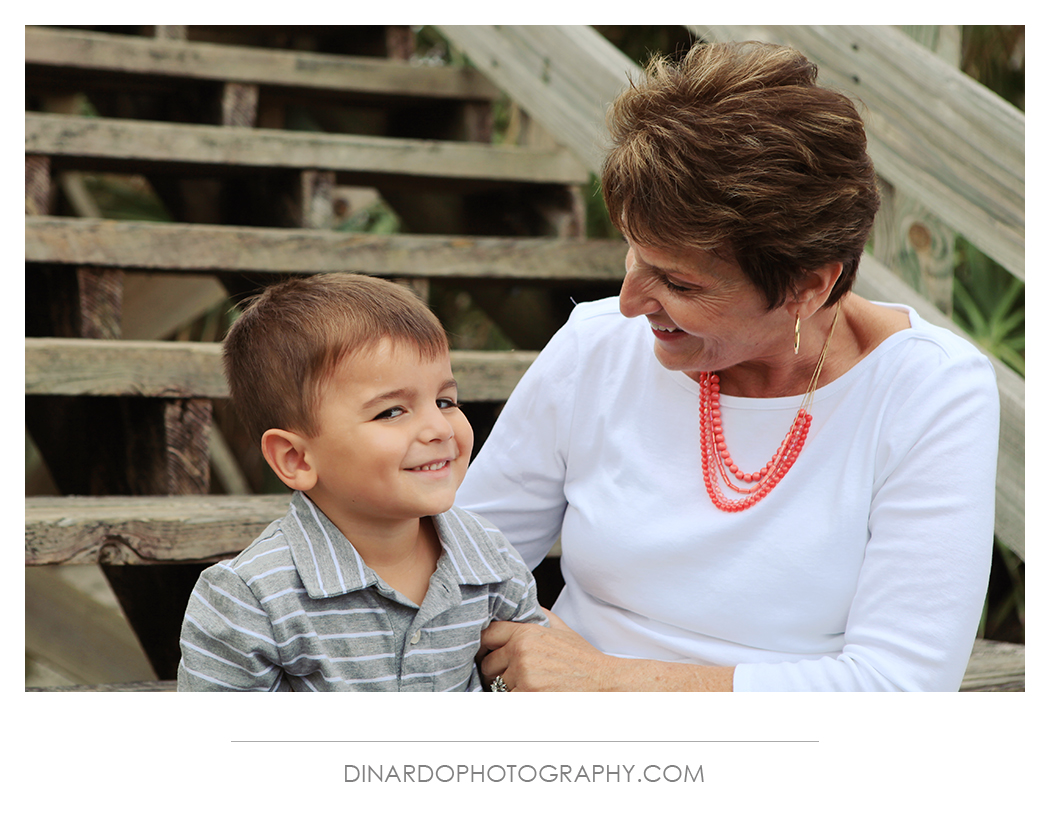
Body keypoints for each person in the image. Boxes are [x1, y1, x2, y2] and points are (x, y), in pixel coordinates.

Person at [458, 41, 999, 692]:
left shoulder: (928, 391)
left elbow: (897, 687)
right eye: (633, 253)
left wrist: (612, 683)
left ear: (807, 287)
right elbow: (465, 568)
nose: (630, 303)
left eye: (678, 283)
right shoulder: (596, 344)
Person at [178, 273, 546, 691]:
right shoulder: (251, 599)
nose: (439, 429)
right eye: (391, 412)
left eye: (445, 401)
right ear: (296, 458)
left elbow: (533, 680)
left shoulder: (486, 555)